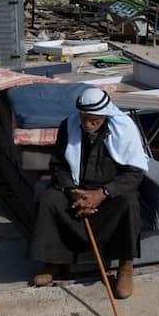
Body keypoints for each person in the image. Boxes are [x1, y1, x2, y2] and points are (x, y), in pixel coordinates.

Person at [28, 87, 149, 298]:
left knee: (129, 203)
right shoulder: (69, 125)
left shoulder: (124, 128)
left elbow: (134, 173)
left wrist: (103, 193)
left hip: (110, 193)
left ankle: (126, 267)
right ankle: (54, 262)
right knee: (50, 199)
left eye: (93, 120)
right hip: (77, 189)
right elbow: (58, 165)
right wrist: (71, 191)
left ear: (105, 115)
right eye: (84, 119)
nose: (87, 125)